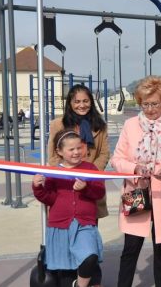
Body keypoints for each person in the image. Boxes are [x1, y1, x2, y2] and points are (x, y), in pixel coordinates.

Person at [110, 76, 161, 287]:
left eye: (155, 104)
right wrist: (134, 168)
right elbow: (116, 159)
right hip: (137, 192)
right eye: (145, 104)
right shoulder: (130, 125)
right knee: (130, 249)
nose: (150, 109)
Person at [47, 84, 110, 286]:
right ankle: (69, 280)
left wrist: (89, 172)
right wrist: (68, 172)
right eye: (77, 101)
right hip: (65, 191)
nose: (81, 105)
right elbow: (52, 156)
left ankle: (91, 281)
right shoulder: (59, 124)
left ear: (91, 102)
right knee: (67, 245)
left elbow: (104, 154)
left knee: (88, 242)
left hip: (89, 189)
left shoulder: (100, 125)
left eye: (85, 101)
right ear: (70, 103)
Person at [32, 129, 105, 287]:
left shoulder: (90, 168)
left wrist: (85, 188)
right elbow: (49, 198)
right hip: (60, 226)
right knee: (66, 271)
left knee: (90, 257)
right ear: (60, 151)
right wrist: (38, 187)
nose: (76, 152)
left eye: (79, 147)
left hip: (84, 224)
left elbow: (99, 193)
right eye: (71, 149)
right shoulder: (52, 172)